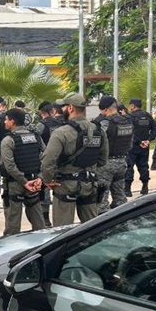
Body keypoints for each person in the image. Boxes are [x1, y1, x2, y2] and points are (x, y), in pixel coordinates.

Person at [41, 93, 108, 226]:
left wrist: (49, 181)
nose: (61, 110)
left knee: (62, 231)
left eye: (63, 107)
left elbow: (48, 161)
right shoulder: (99, 130)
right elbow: (103, 160)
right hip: (89, 185)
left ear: (70, 108)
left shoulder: (61, 132)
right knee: (92, 229)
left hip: (65, 186)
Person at [0, 108, 45, 235]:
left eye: (6, 119)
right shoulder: (35, 136)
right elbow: (45, 157)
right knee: (38, 221)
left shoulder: (8, 140)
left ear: (12, 121)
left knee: (12, 223)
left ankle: (11, 249)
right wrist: (39, 178)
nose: (4, 122)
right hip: (34, 181)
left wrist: (24, 182)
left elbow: (10, 166)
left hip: (15, 184)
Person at [93, 95, 132, 212]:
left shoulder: (105, 123)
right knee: (120, 197)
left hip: (106, 164)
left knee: (101, 200)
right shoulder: (127, 121)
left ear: (105, 109)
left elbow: (96, 142)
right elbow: (130, 144)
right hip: (122, 163)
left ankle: (103, 224)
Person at [34, 102, 66, 223]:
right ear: (52, 111)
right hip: (61, 158)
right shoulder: (61, 124)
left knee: (45, 186)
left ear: (40, 112)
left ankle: (45, 217)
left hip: (46, 158)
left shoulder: (41, 125)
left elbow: (36, 140)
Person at [125, 98, 156, 197]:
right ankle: (145, 187)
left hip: (133, 146)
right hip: (145, 146)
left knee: (129, 167)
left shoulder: (130, 117)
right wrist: (148, 140)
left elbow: (130, 132)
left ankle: (127, 190)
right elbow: (155, 129)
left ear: (132, 106)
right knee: (143, 166)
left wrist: (139, 141)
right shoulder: (147, 116)